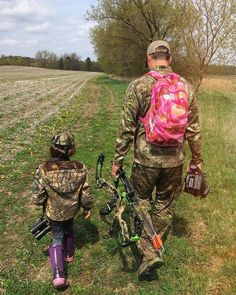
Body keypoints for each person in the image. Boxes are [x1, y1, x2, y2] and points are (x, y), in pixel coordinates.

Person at [111, 40, 202, 278]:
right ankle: (157, 245)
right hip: (175, 161)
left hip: (145, 160)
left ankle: (148, 253)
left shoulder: (139, 86)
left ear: (148, 57)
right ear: (169, 58)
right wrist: (197, 160)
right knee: (164, 205)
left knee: (139, 202)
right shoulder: (186, 86)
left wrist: (118, 159)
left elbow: (126, 128)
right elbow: (193, 130)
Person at [31, 132, 93, 289]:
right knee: (70, 229)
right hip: (72, 211)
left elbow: (37, 198)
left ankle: (58, 275)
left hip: (54, 213)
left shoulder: (43, 169)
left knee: (57, 238)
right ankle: (70, 254)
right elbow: (85, 193)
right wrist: (87, 207)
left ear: (53, 148)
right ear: (71, 149)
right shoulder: (80, 168)